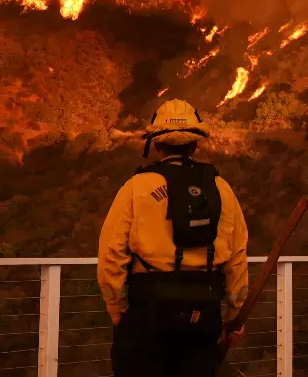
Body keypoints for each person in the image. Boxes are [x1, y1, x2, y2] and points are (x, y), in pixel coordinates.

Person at [98, 99, 250, 377]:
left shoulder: (136, 188)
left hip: (146, 317)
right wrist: (232, 316)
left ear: (156, 145)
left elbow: (111, 256)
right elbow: (237, 258)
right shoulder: (221, 189)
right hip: (203, 318)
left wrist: (118, 309)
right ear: (195, 144)